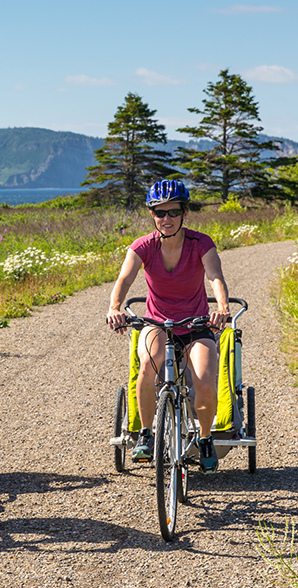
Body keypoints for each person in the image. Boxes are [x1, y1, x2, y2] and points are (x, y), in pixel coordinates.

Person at [105, 180, 230, 473]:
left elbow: (215, 276)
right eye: (160, 213)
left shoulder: (201, 243)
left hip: (196, 324)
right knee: (148, 366)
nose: (167, 219)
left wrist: (222, 307)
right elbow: (124, 280)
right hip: (157, 322)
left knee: (203, 378)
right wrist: (114, 308)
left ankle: (206, 438)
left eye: (173, 212)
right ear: (152, 215)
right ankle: (147, 435)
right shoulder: (142, 247)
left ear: (184, 213)